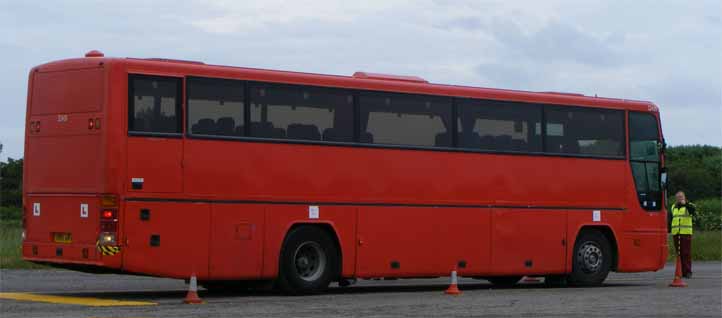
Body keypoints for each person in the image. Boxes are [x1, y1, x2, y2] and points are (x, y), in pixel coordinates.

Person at [668, 191, 696, 278]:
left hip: (685, 233)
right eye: (678, 197)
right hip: (676, 233)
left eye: (681, 197)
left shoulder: (690, 205)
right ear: (676, 198)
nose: (679, 198)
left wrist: (686, 204)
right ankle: (680, 271)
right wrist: (668, 230)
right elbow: (671, 220)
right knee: (679, 253)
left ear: (684, 197)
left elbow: (693, 211)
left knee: (686, 253)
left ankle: (687, 272)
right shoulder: (673, 207)